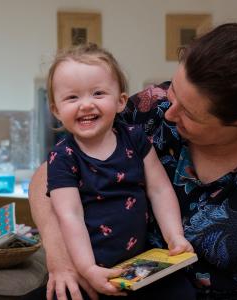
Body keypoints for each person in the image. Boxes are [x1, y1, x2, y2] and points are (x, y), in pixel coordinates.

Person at [28, 23, 237, 300]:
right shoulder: (151, 109)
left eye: (188, 113)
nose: (169, 112)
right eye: (175, 91)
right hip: (122, 280)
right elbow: (49, 176)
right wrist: (62, 259)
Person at [42, 43, 195, 299]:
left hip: (138, 266)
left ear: (121, 101)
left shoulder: (134, 139)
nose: (86, 105)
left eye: (98, 93)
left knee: (182, 292)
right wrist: (87, 269)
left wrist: (174, 236)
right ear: (56, 110)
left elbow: (159, 189)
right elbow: (70, 215)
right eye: (72, 97)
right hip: (89, 269)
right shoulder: (62, 157)